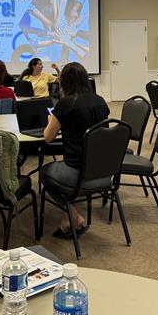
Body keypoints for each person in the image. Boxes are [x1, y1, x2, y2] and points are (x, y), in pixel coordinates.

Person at [42, 62, 110, 238]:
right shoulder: (100, 101)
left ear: (64, 82)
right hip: (103, 171)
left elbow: (48, 137)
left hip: (77, 172)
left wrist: (52, 120)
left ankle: (73, 215)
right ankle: (67, 220)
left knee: (44, 174)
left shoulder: (65, 103)